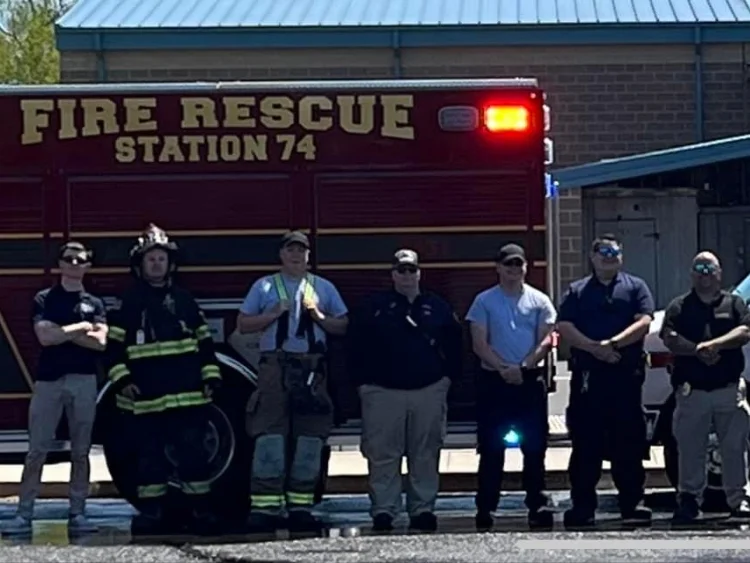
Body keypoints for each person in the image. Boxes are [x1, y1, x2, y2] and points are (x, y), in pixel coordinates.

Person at [105, 224, 222, 535]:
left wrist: (211, 376)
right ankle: (153, 513)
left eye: (161, 259)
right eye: (150, 259)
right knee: (149, 458)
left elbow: (205, 341)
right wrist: (122, 381)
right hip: (146, 397)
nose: (156, 264)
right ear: (140, 266)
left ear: (170, 264)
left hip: (188, 396)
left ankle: (201, 511)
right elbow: (113, 350)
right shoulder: (128, 303)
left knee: (193, 456)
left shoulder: (184, 300)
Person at [237, 230, 349, 532]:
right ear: (281, 255)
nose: (297, 255)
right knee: (270, 437)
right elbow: (243, 324)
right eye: (291, 250)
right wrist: (271, 314)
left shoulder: (323, 288)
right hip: (275, 368)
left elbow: (343, 326)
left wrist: (319, 317)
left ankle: (301, 506)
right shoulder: (264, 286)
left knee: (309, 439)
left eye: (302, 251)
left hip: (313, 369)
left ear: (308, 256)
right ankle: (265, 508)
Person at [348, 249, 462, 532]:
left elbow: (456, 345)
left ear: (420, 273)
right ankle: (384, 510)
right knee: (383, 455)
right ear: (393, 274)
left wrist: (447, 380)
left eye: (412, 270)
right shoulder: (374, 306)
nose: (407, 275)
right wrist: (362, 385)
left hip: (428, 390)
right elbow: (355, 346)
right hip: (382, 392)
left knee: (424, 453)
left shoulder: (437, 306)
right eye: (402, 270)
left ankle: (422, 509)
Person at [2, 242, 107, 537]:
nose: (74, 263)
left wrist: (61, 331)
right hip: (48, 381)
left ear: (88, 266)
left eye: (80, 260)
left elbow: (100, 343)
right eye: (69, 259)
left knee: (81, 451)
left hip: (84, 380)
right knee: (36, 450)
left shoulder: (95, 303)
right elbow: (44, 338)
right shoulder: (44, 298)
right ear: (59, 264)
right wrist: (80, 328)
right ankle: (24, 514)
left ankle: (78, 513)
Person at [557, 234, 655, 528]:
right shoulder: (576, 291)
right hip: (589, 380)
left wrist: (612, 344)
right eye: (603, 251)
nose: (608, 256)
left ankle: (632, 504)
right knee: (586, 445)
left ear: (621, 256)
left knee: (629, 443)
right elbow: (564, 326)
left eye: (614, 251)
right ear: (592, 256)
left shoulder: (636, 286)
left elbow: (645, 321)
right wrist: (594, 348)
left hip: (625, 378)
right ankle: (583, 507)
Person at [465, 243, 557, 531]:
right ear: (498, 267)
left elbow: (548, 339)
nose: (514, 270)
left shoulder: (540, 301)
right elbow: (478, 342)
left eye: (519, 264)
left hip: (529, 382)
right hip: (495, 382)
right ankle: (486, 507)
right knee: (491, 449)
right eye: (508, 265)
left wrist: (525, 366)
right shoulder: (483, 301)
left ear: (526, 267)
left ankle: (537, 505)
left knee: (535, 448)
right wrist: (504, 368)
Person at [660, 251, 750, 522]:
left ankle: (739, 500)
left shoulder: (734, 304)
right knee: (690, 448)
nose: (704, 273)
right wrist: (696, 350)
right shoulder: (679, 306)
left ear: (719, 273)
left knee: (735, 447)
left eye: (710, 268)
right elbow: (669, 337)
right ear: (692, 273)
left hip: (728, 389)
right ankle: (688, 500)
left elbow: (746, 330)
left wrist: (716, 344)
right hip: (692, 391)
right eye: (699, 267)